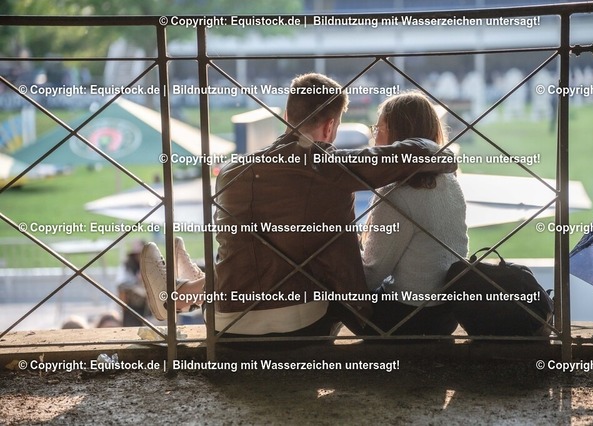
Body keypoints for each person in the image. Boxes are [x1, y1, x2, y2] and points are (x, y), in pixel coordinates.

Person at [141, 73, 458, 341]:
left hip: (225, 324)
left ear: (286, 115)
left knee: (253, 244)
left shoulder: (230, 171)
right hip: (301, 327)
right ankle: (186, 289)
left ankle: (185, 291)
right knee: (310, 251)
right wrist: (440, 150)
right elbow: (414, 155)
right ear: (330, 126)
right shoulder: (330, 167)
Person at [360, 91, 469, 336]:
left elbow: (372, 276)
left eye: (378, 129)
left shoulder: (396, 193)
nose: (373, 139)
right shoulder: (450, 181)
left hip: (408, 319)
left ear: (398, 137)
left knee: (328, 287)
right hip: (447, 316)